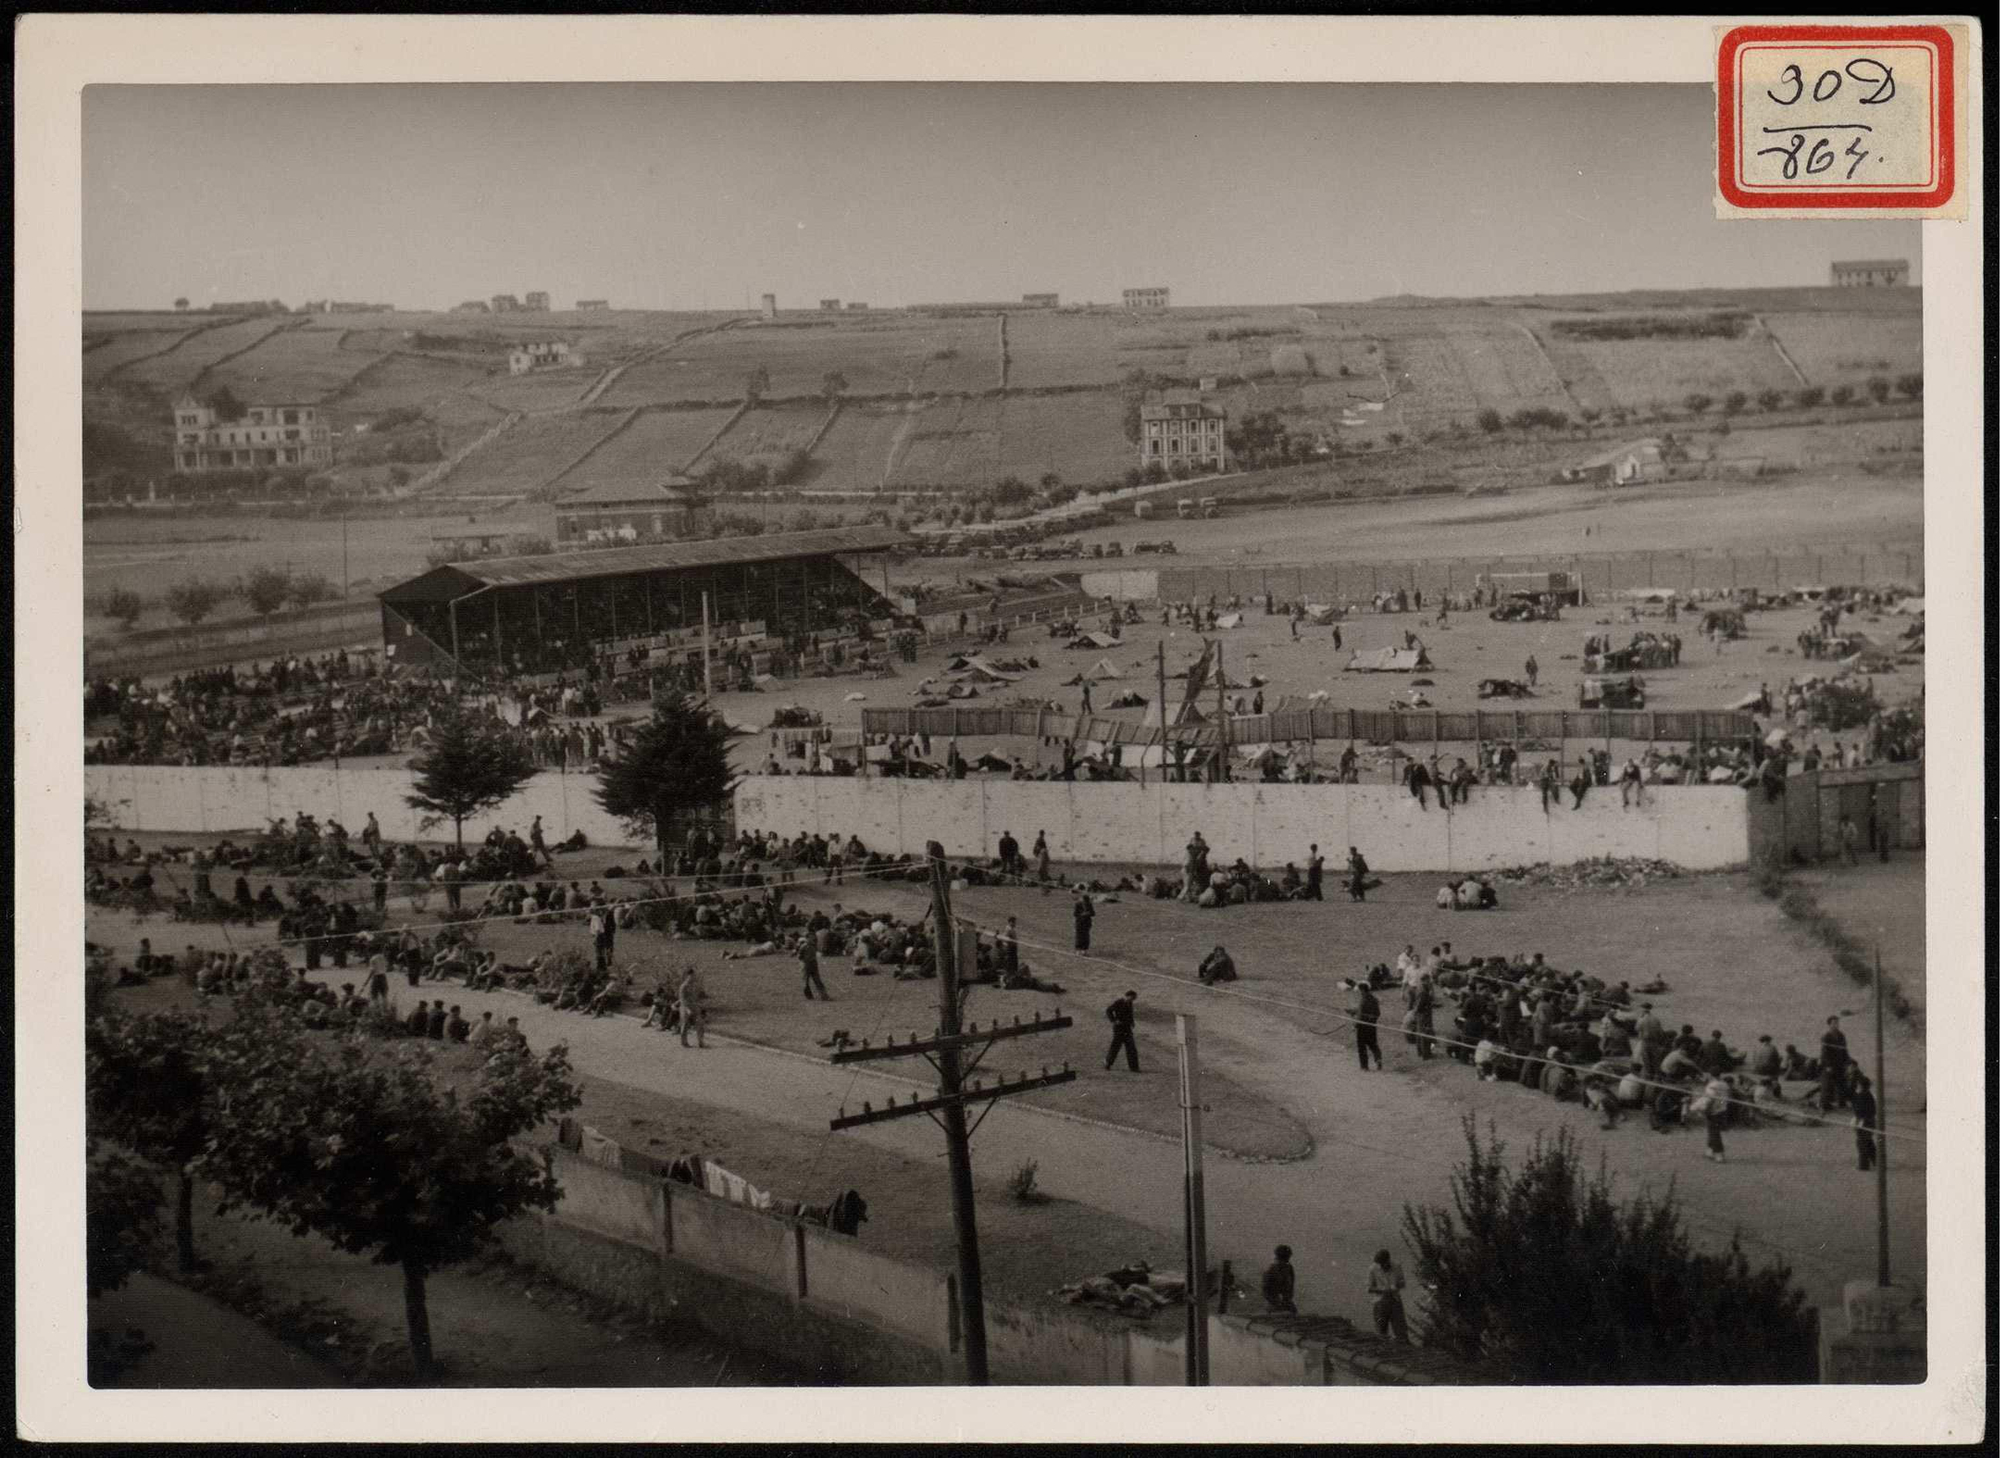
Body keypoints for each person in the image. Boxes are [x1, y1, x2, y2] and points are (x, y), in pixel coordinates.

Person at [1368, 1249, 1409, 1344]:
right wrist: (1384, 1289)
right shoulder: (1373, 1269)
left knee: (1401, 1330)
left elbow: (1402, 1283)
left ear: (1388, 1260)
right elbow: (1369, 1288)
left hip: (1395, 1301)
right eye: (1379, 1264)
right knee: (1381, 1331)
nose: (1381, 1266)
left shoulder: (1397, 1266)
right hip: (1380, 1302)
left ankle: (1403, 1350)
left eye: (1383, 1263)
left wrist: (1396, 1286)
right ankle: (1382, 1353)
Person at [1818, 1015, 1851, 1112]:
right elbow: (1824, 1052)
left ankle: (1842, 1103)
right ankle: (1824, 1105)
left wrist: (1847, 1062)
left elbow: (1844, 1049)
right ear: (1829, 1025)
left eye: (1837, 1023)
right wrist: (1828, 1065)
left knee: (1841, 1083)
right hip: (1829, 1065)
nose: (1836, 1025)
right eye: (1834, 1023)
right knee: (1826, 1085)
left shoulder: (1841, 1035)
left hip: (1840, 1063)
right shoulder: (1826, 1036)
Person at [1104, 990, 1140, 1072]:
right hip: (1119, 1029)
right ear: (1128, 996)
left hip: (1127, 1029)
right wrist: (1114, 1020)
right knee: (1115, 1047)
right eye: (1133, 997)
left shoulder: (1129, 1003)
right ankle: (1108, 1063)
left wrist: (1132, 1022)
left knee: (1131, 1048)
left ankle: (1134, 1067)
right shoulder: (1119, 1002)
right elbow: (1108, 1010)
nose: (1133, 999)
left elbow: (1130, 1014)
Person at [1849, 1071, 1878, 1172]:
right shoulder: (1868, 1095)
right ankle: (1877, 1161)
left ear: (1860, 1086)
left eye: (1857, 1085)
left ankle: (1863, 1165)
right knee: (1868, 1142)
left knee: (1862, 1143)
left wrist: (1856, 1121)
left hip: (1864, 1122)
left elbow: (1859, 1111)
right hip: (1870, 1121)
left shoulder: (1862, 1096)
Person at [1353, 980, 1383, 1071]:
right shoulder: (1374, 999)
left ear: (1362, 990)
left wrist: (1355, 1025)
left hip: (1362, 1026)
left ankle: (1364, 1066)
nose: (1359, 992)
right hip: (1372, 1026)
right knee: (1373, 1044)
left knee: (1361, 1046)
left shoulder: (1363, 1000)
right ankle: (1378, 1059)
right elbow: (1378, 1013)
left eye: (1359, 990)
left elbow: (1360, 1014)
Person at [1262, 1246, 1299, 1314]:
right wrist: (1276, 1302)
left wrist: (1287, 1299)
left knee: (1292, 1312)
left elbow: (1291, 1286)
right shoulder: (1270, 1270)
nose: (1288, 1259)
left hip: (1286, 1302)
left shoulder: (1289, 1268)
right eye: (1286, 1256)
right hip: (1274, 1303)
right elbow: (1266, 1290)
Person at [677, 968, 708, 1048]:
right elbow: (682, 999)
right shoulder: (683, 986)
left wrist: (700, 1004)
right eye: (691, 976)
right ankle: (684, 1042)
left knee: (700, 1023)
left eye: (694, 975)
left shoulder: (694, 986)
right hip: (685, 1007)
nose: (693, 977)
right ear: (687, 976)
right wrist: (687, 1009)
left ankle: (700, 1041)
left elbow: (697, 997)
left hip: (694, 1006)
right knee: (685, 1024)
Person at [800, 934, 831, 1001]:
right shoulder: (803, 946)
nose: (812, 940)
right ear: (807, 938)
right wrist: (805, 961)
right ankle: (809, 995)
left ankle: (824, 995)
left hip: (813, 964)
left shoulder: (814, 946)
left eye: (813, 938)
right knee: (805, 981)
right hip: (806, 964)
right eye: (811, 938)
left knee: (817, 980)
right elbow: (800, 956)